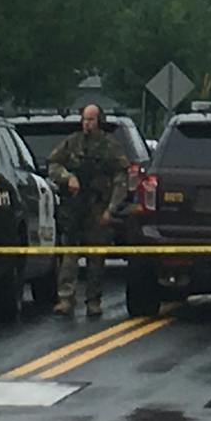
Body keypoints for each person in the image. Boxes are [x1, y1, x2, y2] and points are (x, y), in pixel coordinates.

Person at [46, 103, 133, 317]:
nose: (88, 124)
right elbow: (53, 164)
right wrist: (68, 178)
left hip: (98, 207)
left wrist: (111, 209)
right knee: (69, 255)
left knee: (96, 259)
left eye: (92, 119)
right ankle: (66, 298)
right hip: (75, 207)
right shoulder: (72, 143)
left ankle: (94, 301)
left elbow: (121, 179)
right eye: (85, 119)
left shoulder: (110, 147)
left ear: (100, 121)